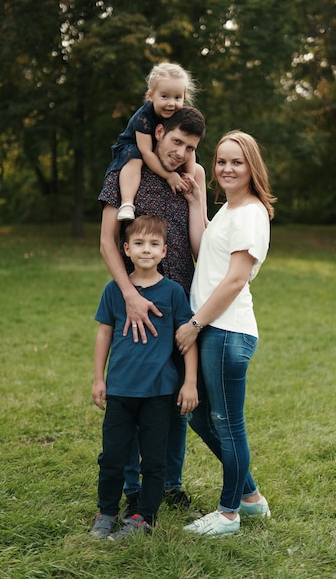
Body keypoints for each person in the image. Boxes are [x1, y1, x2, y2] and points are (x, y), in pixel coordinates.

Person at [98, 107, 206, 516]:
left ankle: (170, 484)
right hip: (136, 303)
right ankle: (130, 486)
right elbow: (109, 242)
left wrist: (199, 201)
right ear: (158, 132)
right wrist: (127, 294)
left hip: (178, 301)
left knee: (174, 399)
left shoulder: (192, 176)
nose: (180, 152)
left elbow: (200, 243)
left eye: (189, 147)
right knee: (131, 395)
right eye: (176, 141)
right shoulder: (127, 171)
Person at [175, 130, 276, 536]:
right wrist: (197, 194)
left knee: (227, 422)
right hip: (214, 331)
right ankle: (249, 496)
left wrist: (195, 324)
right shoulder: (229, 212)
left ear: (252, 166)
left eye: (237, 161)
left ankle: (229, 513)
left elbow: (235, 280)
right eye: (221, 161)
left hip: (226, 332)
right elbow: (203, 250)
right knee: (199, 415)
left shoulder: (251, 212)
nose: (228, 168)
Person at [90, 215, 199, 540]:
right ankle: (107, 512)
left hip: (158, 392)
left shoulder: (174, 292)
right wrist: (99, 379)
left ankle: (144, 517)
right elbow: (103, 335)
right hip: (121, 389)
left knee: (153, 459)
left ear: (165, 251)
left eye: (154, 244)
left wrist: (189, 382)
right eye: (139, 243)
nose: (146, 250)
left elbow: (187, 341)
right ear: (126, 249)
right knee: (112, 456)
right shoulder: (115, 290)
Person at [106, 62, 207, 223]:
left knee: (195, 164)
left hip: (160, 148)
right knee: (135, 157)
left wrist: (189, 175)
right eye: (164, 96)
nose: (171, 103)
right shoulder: (143, 117)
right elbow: (146, 152)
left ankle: (204, 218)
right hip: (135, 146)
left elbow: (190, 147)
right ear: (151, 96)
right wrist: (169, 176)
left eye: (177, 97)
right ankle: (127, 203)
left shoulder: (178, 115)